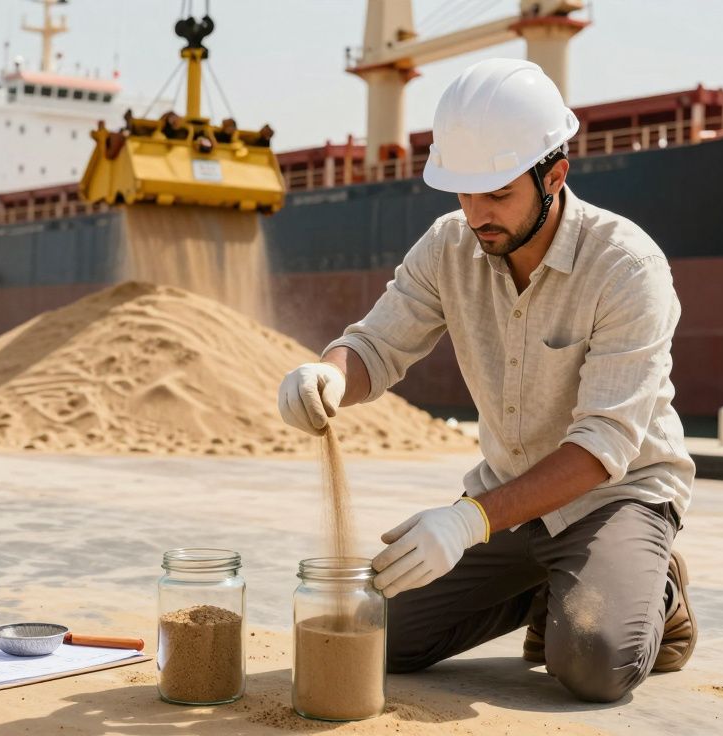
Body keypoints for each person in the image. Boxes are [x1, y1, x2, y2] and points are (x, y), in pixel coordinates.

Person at [277, 58, 697, 703]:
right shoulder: (451, 245)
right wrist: (328, 374)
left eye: (498, 194)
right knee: (373, 636)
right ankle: (550, 586)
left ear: (554, 175)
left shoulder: (626, 266)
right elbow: (375, 345)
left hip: (615, 496)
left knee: (592, 661)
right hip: (508, 505)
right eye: (464, 194)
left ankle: (655, 588)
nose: (477, 215)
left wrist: (467, 523)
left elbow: (604, 446)